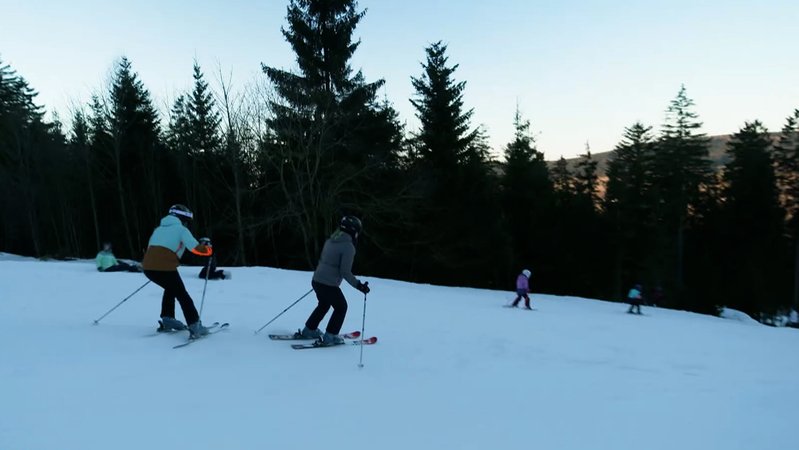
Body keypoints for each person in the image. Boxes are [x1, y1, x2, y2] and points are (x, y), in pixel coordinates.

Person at [297, 215, 370, 345]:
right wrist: (359, 285)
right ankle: (330, 336)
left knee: (324, 304)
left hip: (317, 280)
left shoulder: (331, 240)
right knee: (341, 307)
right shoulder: (348, 247)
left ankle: (309, 330)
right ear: (354, 231)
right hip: (328, 284)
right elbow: (345, 272)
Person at [142, 204, 213, 337]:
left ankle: (168, 318)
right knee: (183, 295)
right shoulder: (181, 229)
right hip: (165, 267)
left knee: (171, 289)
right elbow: (195, 248)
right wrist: (208, 249)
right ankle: (195, 325)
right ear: (182, 219)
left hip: (148, 268)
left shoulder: (158, 229)